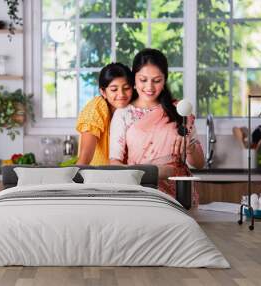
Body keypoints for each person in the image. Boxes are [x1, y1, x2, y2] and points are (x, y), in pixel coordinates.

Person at [109, 48, 204, 198]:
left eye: (157, 80)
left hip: (178, 195)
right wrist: (153, 173)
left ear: (165, 79)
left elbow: (199, 163)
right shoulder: (123, 114)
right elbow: (114, 163)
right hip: (139, 192)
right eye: (143, 80)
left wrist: (190, 148)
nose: (149, 87)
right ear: (134, 78)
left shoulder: (180, 111)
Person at [76, 63, 134, 165]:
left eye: (126, 88)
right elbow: (85, 158)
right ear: (103, 92)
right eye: (114, 89)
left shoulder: (134, 109)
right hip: (97, 176)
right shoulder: (96, 108)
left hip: (128, 175)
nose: (121, 94)